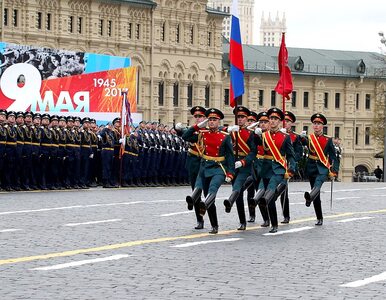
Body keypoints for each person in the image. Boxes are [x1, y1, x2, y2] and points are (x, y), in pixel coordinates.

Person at [184, 108, 235, 234]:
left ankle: (213, 224)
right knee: (200, 190)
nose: (211, 122)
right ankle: (206, 218)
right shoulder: (203, 133)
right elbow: (185, 136)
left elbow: (230, 157)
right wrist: (196, 127)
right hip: (205, 166)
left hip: (218, 168)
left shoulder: (225, 136)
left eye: (214, 120)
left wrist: (230, 173)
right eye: (210, 120)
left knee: (212, 191)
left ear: (219, 121)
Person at [253, 107, 296, 233]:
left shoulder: (285, 137)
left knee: (271, 190)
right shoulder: (264, 135)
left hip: (278, 169)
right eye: (271, 118)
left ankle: (274, 224)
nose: (272, 121)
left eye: (275, 119)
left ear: (280, 121)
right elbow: (255, 145)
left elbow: (291, 156)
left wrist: (291, 169)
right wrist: (255, 134)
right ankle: (274, 223)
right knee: (270, 198)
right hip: (265, 169)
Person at [303, 113, 340, 226]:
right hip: (311, 167)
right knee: (316, 195)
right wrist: (300, 138)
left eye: (318, 124)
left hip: (322, 168)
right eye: (314, 123)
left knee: (317, 185)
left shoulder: (328, 140)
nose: (316, 126)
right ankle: (319, 217)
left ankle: (309, 197)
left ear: (322, 126)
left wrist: (334, 170)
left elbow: (334, 156)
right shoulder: (309, 138)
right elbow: (299, 144)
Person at [223, 106, 256, 230]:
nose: (240, 119)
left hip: (245, 166)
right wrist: (228, 129)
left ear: (247, 119)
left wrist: (243, 162)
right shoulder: (231, 132)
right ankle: (242, 221)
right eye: (238, 117)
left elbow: (253, 152)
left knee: (238, 189)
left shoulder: (250, 134)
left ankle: (230, 202)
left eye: (242, 117)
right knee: (239, 194)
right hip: (233, 165)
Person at [178, 106, 207, 230]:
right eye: (196, 117)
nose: (198, 119)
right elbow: (184, 136)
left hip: (207, 163)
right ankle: (199, 220)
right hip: (194, 163)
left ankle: (211, 216)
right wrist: (195, 127)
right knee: (195, 193)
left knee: (208, 192)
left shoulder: (210, 130)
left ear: (205, 118)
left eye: (200, 116)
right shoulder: (192, 131)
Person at [279, 111, 304, 224]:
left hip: (287, 165)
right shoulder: (275, 134)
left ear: (291, 123)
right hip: (275, 164)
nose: (285, 123)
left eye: (288, 121)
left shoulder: (295, 137)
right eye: (284, 120)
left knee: (283, 191)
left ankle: (286, 216)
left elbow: (299, 152)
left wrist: (291, 162)